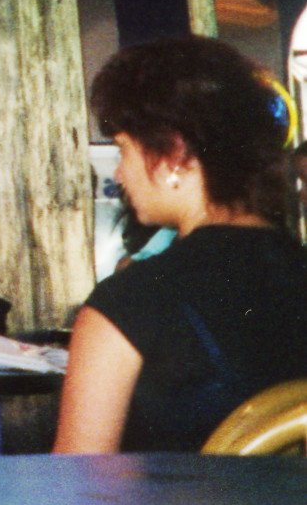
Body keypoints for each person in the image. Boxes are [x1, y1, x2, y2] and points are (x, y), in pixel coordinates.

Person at [54, 35, 307, 453]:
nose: (119, 173)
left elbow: (78, 482)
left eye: (123, 150)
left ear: (173, 154)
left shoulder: (127, 304)